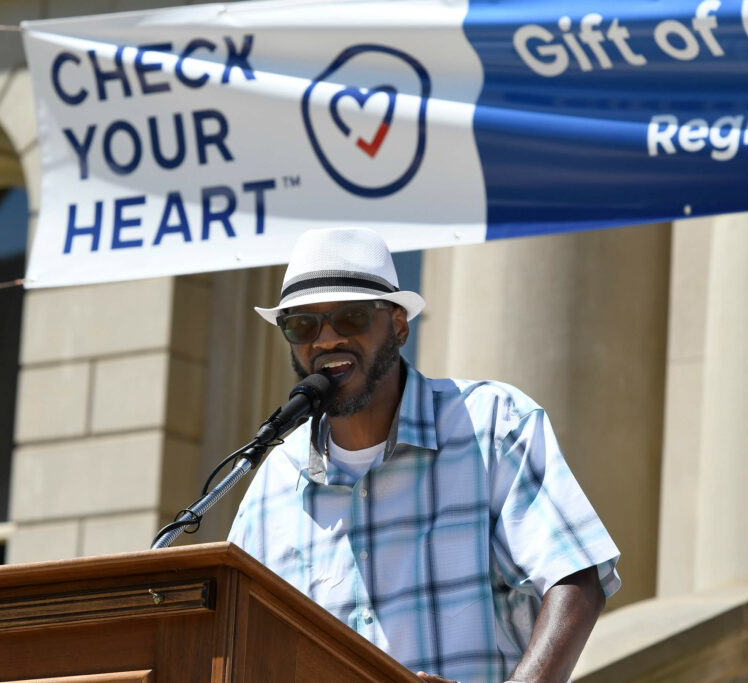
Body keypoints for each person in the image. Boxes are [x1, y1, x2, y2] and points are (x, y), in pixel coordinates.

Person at [228, 227, 620, 683]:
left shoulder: (490, 423)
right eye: (301, 324)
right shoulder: (274, 481)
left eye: (350, 317)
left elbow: (575, 578)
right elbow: (240, 642)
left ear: (398, 324)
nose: (325, 340)